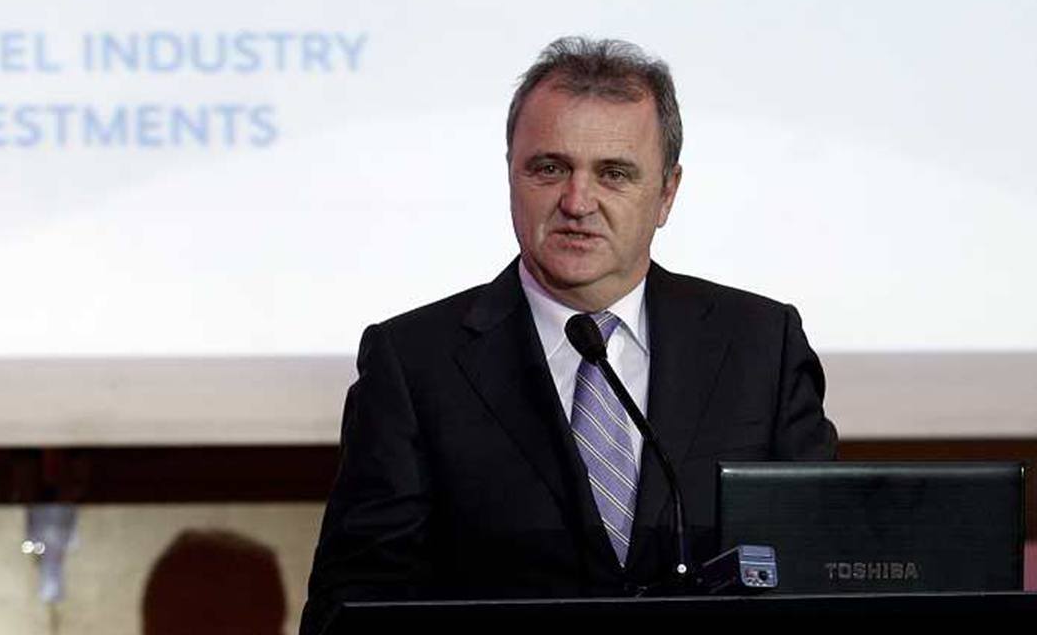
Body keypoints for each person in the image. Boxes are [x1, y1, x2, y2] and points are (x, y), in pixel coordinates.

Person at [300, 37, 838, 634]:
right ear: (511, 175)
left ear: (666, 193)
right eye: (550, 169)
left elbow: (822, 572)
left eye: (614, 174)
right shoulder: (414, 362)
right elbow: (351, 605)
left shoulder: (760, 345)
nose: (578, 202)